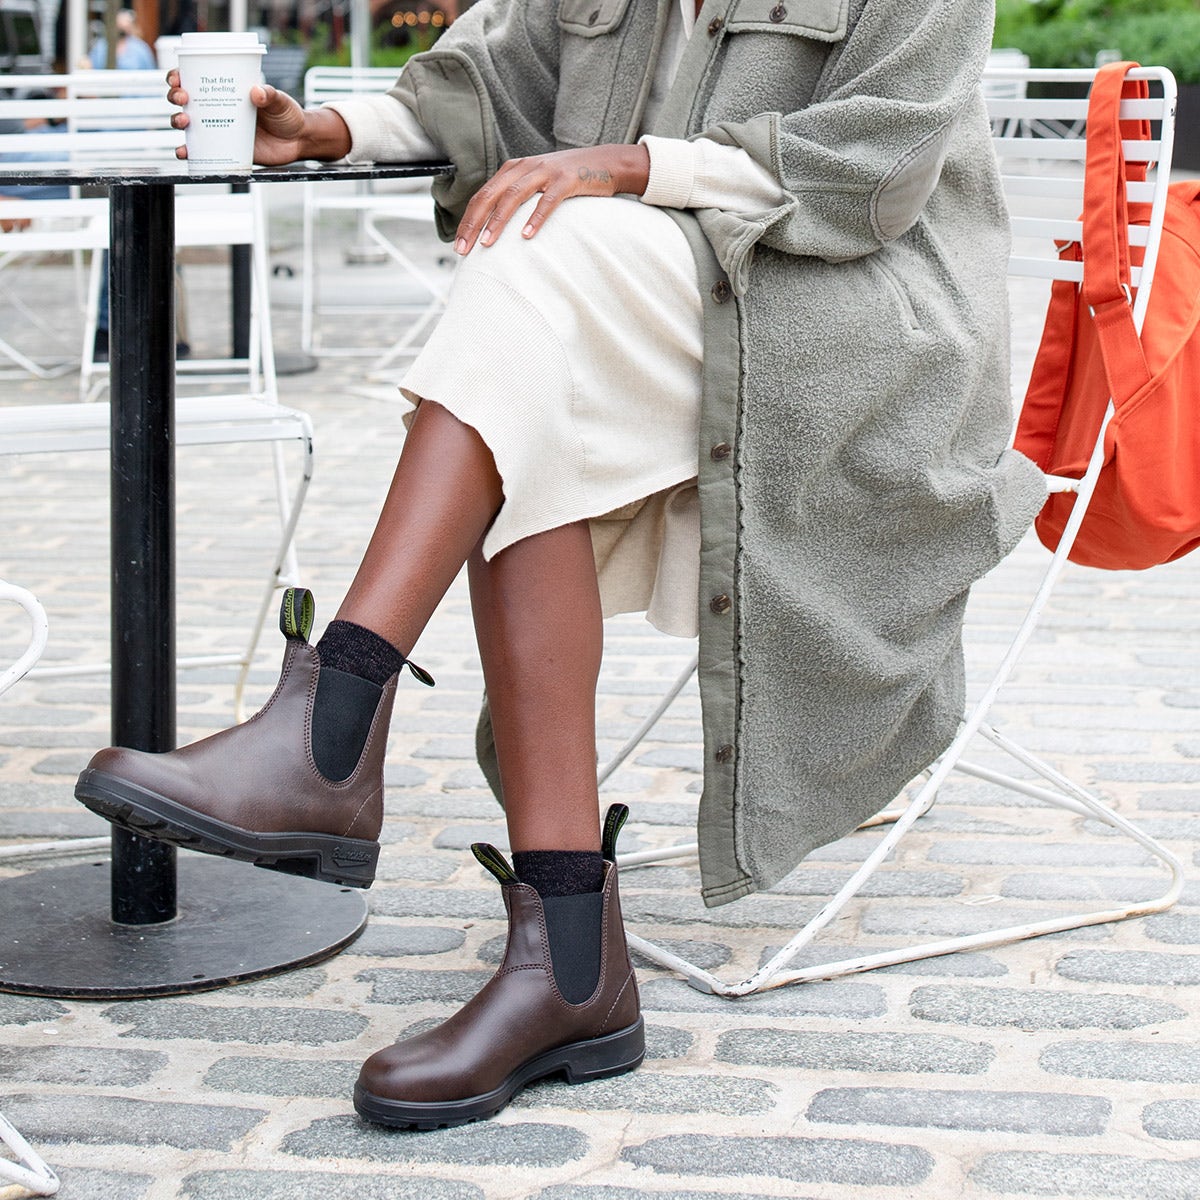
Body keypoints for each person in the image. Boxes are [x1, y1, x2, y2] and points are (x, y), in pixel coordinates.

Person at [75, 0, 1046, 1130]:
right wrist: (330, 128)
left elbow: (875, 169)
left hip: (853, 319)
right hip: (646, 296)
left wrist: (630, 165)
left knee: (547, 256)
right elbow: (488, 83)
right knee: (532, 353)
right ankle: (566, 966)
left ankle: (335, 735)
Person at [86, 8, 157, 71]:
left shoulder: (140, 48)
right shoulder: (101, 46)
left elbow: (150, 71)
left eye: (125, 25)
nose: (122, 27)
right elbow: (91, 68)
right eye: (119, 24)